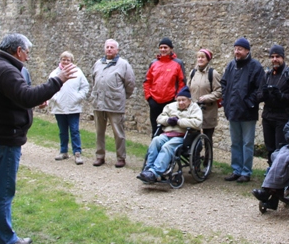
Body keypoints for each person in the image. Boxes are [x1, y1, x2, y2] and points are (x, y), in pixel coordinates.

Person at [0, 33, 76, 244]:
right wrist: (58, 80)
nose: (27, 57)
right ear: (18, 51)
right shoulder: (7, 69)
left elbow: (16, 97)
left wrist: (35, 99)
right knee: (3, 191)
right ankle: (6, 240)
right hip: (3, 139)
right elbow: (25, 96)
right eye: (27, 52)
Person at [220, 37, 264, 183]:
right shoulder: (231, 65)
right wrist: (226, 102)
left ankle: (246, 172)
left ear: (247, 51)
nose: (236, 52)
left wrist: (249, 102)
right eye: (235, 49)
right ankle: (236, 170)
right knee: (235, 142)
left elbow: (260, 89)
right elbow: (224, 83)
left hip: (247, 112)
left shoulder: (255, 66)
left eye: (239, 49)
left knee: (247, 144)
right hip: (233, 111)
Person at [137, 86, 203, 183]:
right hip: (166, 134)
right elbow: (159, 119)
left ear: (189, 100)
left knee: (167, 147)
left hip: (182, 136)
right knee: (155, 141)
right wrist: (168, 120)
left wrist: (179, 121)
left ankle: (154, 172)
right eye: (179, 100)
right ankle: (148, 169)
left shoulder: (194, 108)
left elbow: (197, 123)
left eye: (183, 100)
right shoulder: (170, 106)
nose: (180, 102)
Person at [90, 39, 136, 168]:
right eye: (107, 47)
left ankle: (121, 158)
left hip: (115, 104)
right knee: (99, 132)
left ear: (117, 50)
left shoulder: (123, 64)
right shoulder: (98, 63)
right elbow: (94, 80)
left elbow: (130, 83)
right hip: (99, 103)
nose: (109, 49)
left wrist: (122, 96)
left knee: (118, 133)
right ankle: (100, 156)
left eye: (112, 47)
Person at [257, 44, 289, 166]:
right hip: (268, 116)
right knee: (270, 147)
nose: (274, 59)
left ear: (282, 57)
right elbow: (257, 95)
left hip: (284, 117)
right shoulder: (267, 75)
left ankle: (280, 175)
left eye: (277, 56)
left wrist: (282, 96)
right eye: (272, 57)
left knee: (281, 147)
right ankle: (270, 172)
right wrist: (264, 95)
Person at [48, 51, 89, 165]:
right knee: (62, 131)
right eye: (63, 59)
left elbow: (85, 87)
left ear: (72, 61)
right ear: (60, 60)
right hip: (59, 107)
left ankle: (77, 153)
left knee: (74, 130)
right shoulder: (54, 73)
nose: (65, 62)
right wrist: (55, 98)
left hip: (73, 107)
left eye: (68, 60)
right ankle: (63, 151)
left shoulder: (78, 72)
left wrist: (78, 97)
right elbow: (49, 88)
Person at [143, 37, 186, 136]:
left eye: (165, 47)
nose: (163, 49)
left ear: (171, 49)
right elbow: (147, 81)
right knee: (155, 128)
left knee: (170, 129)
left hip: (170, 101)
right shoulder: (154, 63)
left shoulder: (177, 63)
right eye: (161, 47)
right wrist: (149, 98)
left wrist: (177, 98)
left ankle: (167, 150)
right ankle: (154, 150)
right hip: (154, 101)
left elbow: (182, 82)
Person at [186, 48, 222, 140]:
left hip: (208, 110)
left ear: (208, 59)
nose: (200, 59)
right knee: (193, 136)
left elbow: (219, 91)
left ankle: (208, 154)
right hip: (194, 109)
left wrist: (207, 97)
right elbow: (187, 89)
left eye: (203, 57)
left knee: (207, 138)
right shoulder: (193, 73)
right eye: (198, 57)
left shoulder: (213, 73)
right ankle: (196, 154)